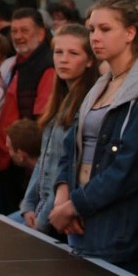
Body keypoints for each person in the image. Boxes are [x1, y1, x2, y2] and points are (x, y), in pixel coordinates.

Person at [50, 0, 138, 276]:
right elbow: (71, 145)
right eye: (91, 29)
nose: (95, 37)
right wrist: (62, 197)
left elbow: (127, 170)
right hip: (80, 221)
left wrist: (74, 206)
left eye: (105, 29)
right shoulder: (101, 85)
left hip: (116, 231)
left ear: (130, 33)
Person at [18, 23, 97, 236]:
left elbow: (66, 169)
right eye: (58, 52)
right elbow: (44, 160)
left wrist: (43, 220)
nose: (63, 59)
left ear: (90, 60)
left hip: (59, 217)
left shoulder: (87, 106)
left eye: (73, 53)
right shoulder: (60, 102)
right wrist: (28, 204)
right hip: (40, 209)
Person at [0, 7, 55, 213]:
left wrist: (23, 153)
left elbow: (42, 119)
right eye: (14, 31)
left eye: (24, 30)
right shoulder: (19, 63)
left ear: (41, 33)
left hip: (22, 165)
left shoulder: (46, 66)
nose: (18, 36)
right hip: (9, 159)